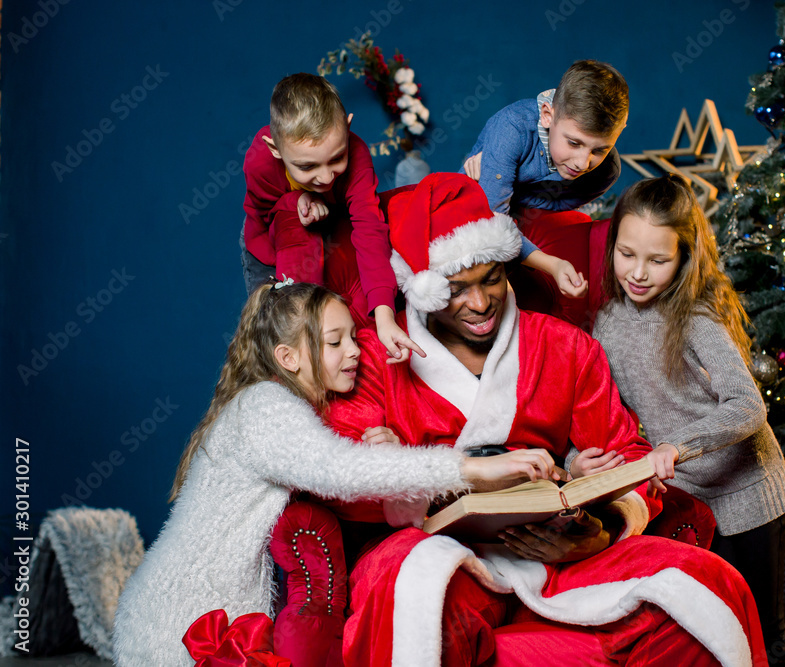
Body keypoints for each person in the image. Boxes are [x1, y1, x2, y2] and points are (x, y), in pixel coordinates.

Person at [324, 173, 767, 666]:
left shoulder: (564, 345)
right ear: (422, 289)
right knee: (415, 590)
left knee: (706, 584)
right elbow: (341, 473)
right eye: (456, 289)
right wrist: (409, 471)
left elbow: (628, 451)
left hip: (559, 553)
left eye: (491, 278)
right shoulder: (373, 357)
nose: (479, 303)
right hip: (443, 549)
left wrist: (600, 529)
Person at [111, 280, 555, 666]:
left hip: (199, 613)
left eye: (353, 338)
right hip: (176, 622)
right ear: (287, 357)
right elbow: (339, 470)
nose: (356, 351)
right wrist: (476, 469)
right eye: (335, 341)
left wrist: (385, 458)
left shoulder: (281, 407)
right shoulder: (264, 407)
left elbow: (339, 468)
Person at [590, 175, 785, 665]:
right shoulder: (607, 322)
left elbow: (748, 405)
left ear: (684, 257)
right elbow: (605, 407)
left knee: (756, 637)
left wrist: (677, 447)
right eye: (627, 254)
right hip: (685, 506)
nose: (638, 273)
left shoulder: (697, 316)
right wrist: (585, 459)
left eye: (658, 260)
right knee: (698, 635)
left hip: (749, 501)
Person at [239, 72, 424, 364]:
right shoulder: (260, 160)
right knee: (280, 339)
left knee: (357, 325)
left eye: (337, 158)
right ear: (276, 149)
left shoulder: (358, 153)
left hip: (337, 234)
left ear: (347, 129)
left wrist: (386, 317)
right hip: (270, 245)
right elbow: (261, 215)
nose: (325, 177)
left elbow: (370, 232)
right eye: (307, 166)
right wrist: (295, 199)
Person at [459, 60, 628, 327]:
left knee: (531, 312)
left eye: (599, 150)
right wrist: (552, 265)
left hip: (516, 225)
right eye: (574, 143)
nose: (582, 163)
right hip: (467, 223)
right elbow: (493, 226)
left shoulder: (605, 171)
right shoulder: (511, 129)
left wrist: (512, 194)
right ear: (547, 115)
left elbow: (548, 204)